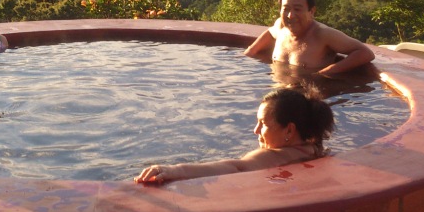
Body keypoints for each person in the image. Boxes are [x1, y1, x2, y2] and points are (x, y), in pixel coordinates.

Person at [135, 87, 334, 184]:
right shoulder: (314, 148)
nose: (255, 131)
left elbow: (236, 167)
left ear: (289, 130)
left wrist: (174, 169)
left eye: (263, 124)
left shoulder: (272, 156)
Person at [244, 0, 375, 76]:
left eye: (297, 9)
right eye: (286, 9)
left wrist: (325, 73)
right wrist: (250, 52)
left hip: (307, 99)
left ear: (311, 11)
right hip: (278, 94)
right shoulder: (280, 28)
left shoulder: (323, 34)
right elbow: (269, 32)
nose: (290, 15)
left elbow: (365, 53)